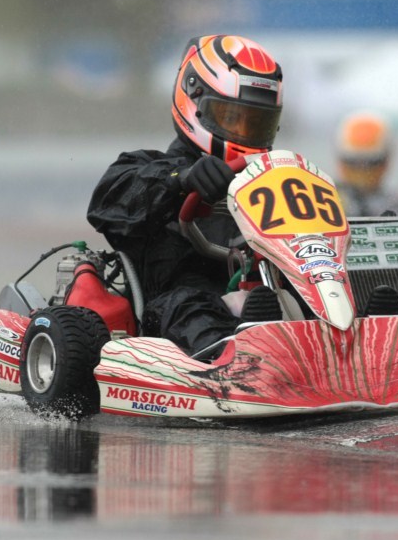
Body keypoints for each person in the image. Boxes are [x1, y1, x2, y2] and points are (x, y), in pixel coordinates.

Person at [86, 34, 284, 356]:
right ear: (194, 101)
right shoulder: (146, 167)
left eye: (256, 123)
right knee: (191, 305)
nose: (245, 133)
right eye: (232, 118)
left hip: (258, 297)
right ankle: (232, 359)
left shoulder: (272, 181)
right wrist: (182, 179)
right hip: (169, 311)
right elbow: (106, 203)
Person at [334, 110, 398, 218]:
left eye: (370, 163)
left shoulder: (397, 206)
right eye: (353, 163)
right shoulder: (327, 202)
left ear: (386, 161)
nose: (361, 172)